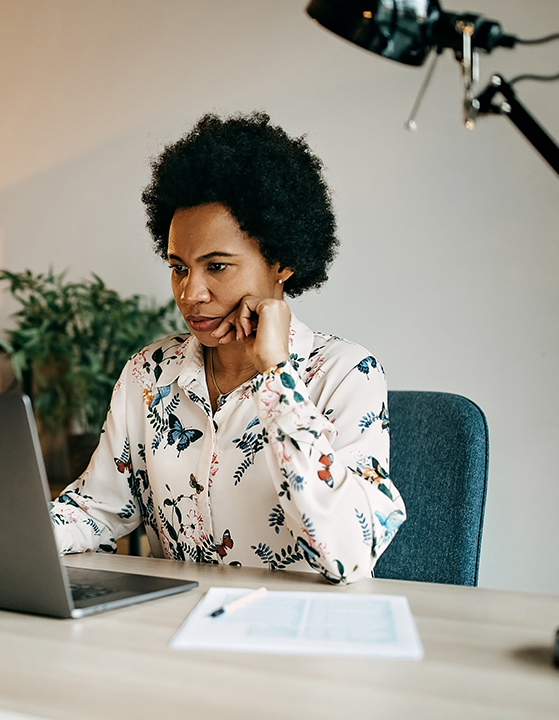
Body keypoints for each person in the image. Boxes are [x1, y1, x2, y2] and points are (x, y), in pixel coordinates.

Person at [49, 112, 405, 584]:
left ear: (282, 262)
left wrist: (276, 374)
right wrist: (2, 529)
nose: (189, 292)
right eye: (179, 267)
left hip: (298, 639)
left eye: (216, 267)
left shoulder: (345, 374)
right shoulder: (150, 373)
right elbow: (98, 508)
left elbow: (349, 554)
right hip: (175, 630)